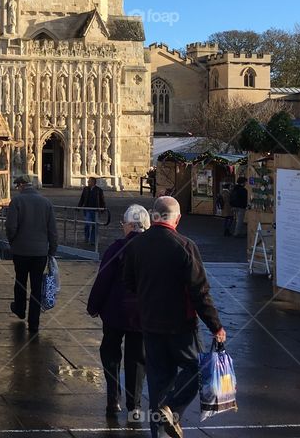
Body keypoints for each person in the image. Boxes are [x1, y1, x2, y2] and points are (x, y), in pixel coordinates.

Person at [124, 196, 226, 438]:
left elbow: (128, 283)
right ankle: (173, 407)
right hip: (181, 324)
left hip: (150, 323)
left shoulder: (136, 245)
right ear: (177, 219)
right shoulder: (185, 245)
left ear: (154, 216)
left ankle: (158, 431)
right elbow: (200, 292)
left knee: (158, 381)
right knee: (199, 369)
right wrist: (216, 326)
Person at [87, 204, 150, 421]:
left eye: (124, 224)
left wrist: (93, 306)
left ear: (130, 225)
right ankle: (135, 405)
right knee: (137, 359)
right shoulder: (152, 248)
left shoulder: (116, 249)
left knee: (111, 353)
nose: (122, 228)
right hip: (142, 314)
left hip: (115, 311)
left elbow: (103, 280)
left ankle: (113, 399)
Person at [6, 176, 58, 335]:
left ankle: (20, 309)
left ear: (22, 185)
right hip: (40, 253)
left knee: (20, 280)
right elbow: (52, 231)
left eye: (17, 186)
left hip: (21, 251)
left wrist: (13, 242)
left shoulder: (17, 202)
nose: (17, 189)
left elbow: (10, 227)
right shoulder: (46, 203)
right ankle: (33, 323)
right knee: (36, 287)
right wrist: (52, 251)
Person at [78, 176, 106, 244]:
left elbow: (102, 200)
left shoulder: (99, 190)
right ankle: (86, 238)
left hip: (96, 210)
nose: (88, 182)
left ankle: (92, 240)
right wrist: (79, 207)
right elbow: (82, 198)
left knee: (94, 226)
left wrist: (103, 209)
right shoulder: (86, 189)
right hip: (87, 209)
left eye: (89, 181)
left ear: (93, 182)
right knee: (87, 224)